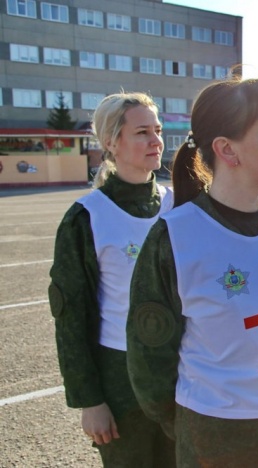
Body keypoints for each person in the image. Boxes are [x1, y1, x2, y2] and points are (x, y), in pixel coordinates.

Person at [126, 75, 258, 466]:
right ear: (227, 150)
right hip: (220, 434)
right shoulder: (175, 236)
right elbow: (150, 360)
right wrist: (193, 427)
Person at [48, 92, 176, 467]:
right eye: (142, 132)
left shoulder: (179, 206)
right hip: (120, 378)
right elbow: (71, 317)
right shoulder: (87, 216)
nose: (155, 141)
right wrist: (90, 400)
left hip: (179, 371)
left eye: (157, 130)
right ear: (111, 142)